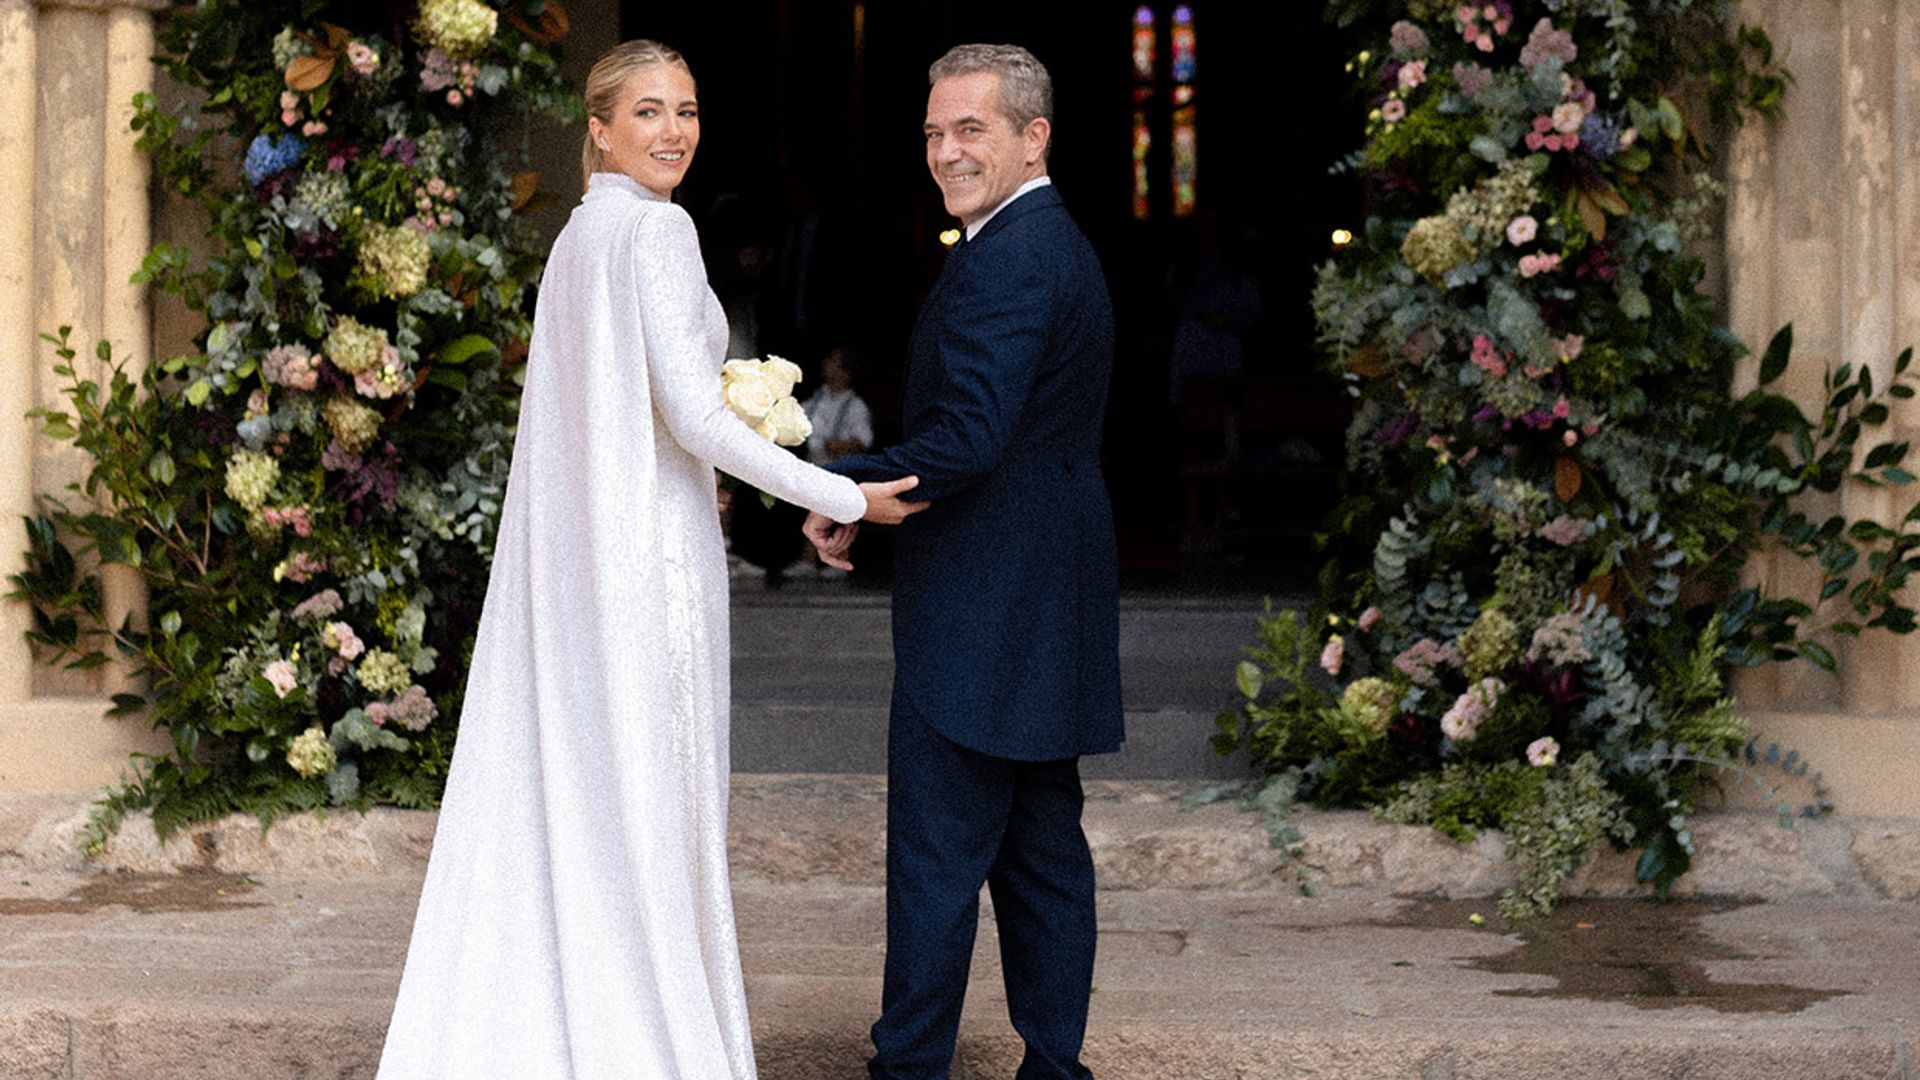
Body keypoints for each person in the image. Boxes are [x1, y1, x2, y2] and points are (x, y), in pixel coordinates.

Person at [375, 40, 925, 1080]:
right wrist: (843, 491)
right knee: (655, 807)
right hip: (649, 572)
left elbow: (629, 414)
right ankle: (652, 1043)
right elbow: (690, 412)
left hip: (583, 568)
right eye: (649, 111)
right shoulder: (658, 234)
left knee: (585, 800)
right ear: (599, 126)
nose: (674, 130)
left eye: (689, 110)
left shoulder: (581, 238)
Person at [804, 43, 1123, 1080]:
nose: (946, 151)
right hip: (1043, 597)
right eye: (935, 132)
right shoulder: (1040, 242)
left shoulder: (1013, 255)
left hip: (985, 611)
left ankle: (909, 1070)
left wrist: (846, 489)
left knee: (937, 863)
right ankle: (1054, 1065)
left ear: (1036, 135)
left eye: (970, 128)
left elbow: (971, 437)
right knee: (1040, 857)